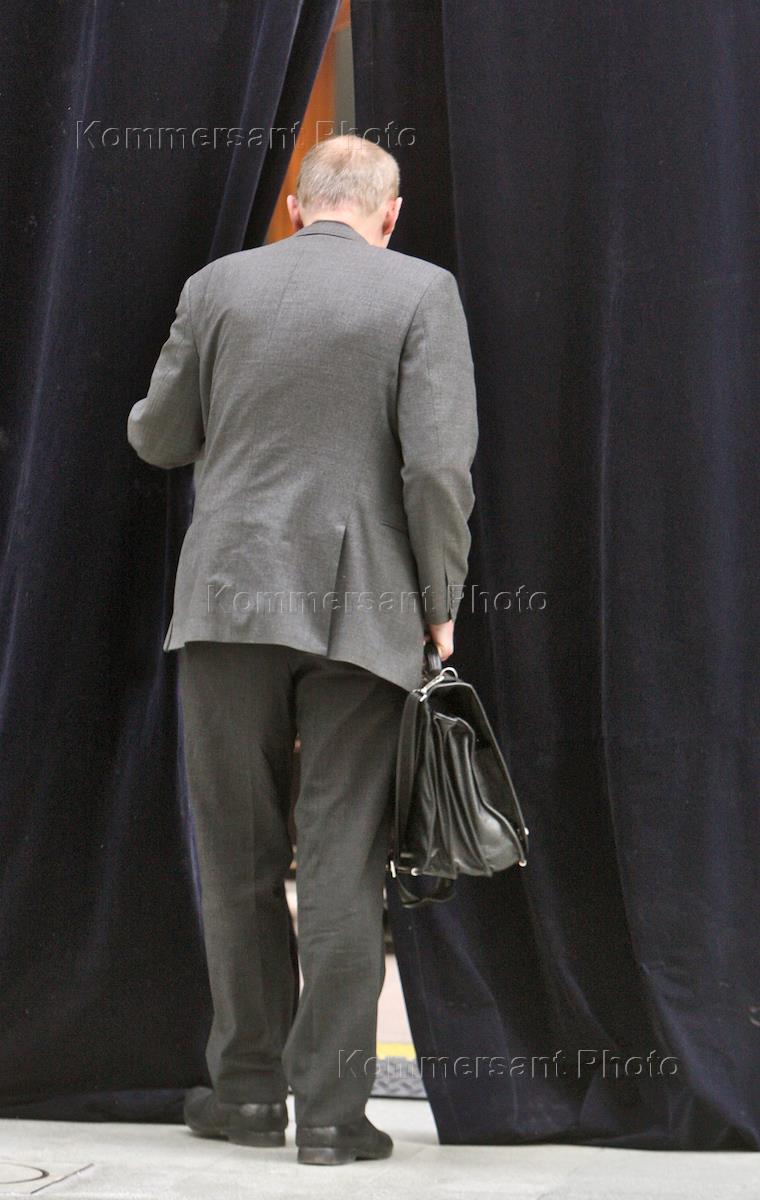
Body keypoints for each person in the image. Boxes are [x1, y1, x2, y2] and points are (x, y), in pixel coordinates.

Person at [127, 133, 478, 1166]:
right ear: (389, 214)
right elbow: (437, 470)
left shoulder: (217, 286)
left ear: (293, 204)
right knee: (341, 862)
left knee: (236, 858)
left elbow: (158, 437)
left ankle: (244, 1095)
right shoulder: (421, 291)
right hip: (362, 609)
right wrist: (440, 602)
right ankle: (330, 1115)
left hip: (229, 600)